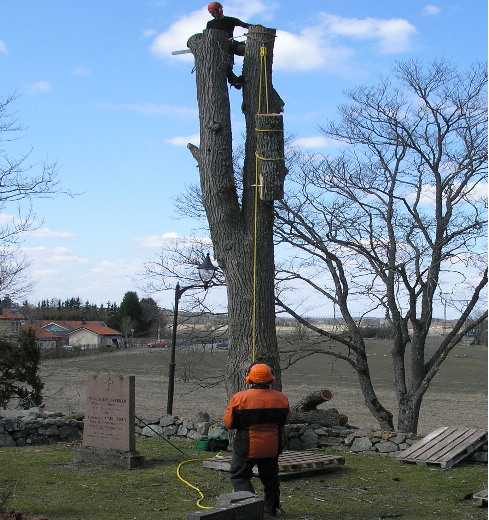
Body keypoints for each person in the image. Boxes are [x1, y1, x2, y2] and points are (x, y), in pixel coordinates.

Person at [224, 363, 290, 517]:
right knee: (270, 480)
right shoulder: (281, 398)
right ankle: (271, 509)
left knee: (239, 476)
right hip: (271, 446)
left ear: (249, 378)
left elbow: (229, 423)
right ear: (271, 379)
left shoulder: (240, 398)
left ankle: (249, 507)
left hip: (246, 446)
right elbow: (283, 421)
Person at [206, 2, 249, 89]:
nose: (213, 15)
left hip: (231, 45)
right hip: (219, 49)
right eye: (211, 13)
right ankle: (234, 81)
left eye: (213, 12)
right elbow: (207, 37)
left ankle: (242, 77)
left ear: (220, 10)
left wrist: (255, 27)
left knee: (247, 49)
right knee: (226, 67)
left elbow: (244, 25)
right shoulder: (210, 24)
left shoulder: (230, 20)